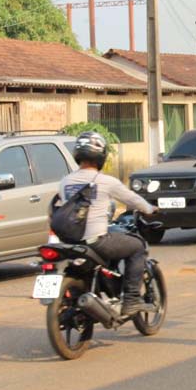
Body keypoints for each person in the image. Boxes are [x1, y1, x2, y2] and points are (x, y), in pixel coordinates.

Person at [59, 131, 159, 315]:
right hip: (96, 241)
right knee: (137, 246)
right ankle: (131, 300)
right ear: (101, 157)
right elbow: (132, 199)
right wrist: (149, 209)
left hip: (71, 242)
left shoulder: (65, 181)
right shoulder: (106, 181)